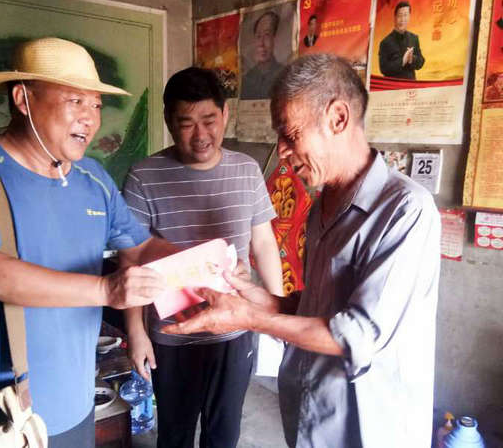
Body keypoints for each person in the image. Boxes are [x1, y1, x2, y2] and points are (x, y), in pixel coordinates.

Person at [163, 54, 441, 448]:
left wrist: (248, 318)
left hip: (369, 424)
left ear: (338, 118)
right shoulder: (322, 206)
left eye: (290, 134)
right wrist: (258, 298)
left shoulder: (405, 210)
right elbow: (318, 306)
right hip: (311, 412)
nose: (282, 151)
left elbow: (356, 334)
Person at [0, 37, 175, 448]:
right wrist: (106, 290)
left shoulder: (93, 178)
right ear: (23, 99)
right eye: (75, 101)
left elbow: (140, 249)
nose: (90, 118)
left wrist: (207, 257)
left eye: (96, 105)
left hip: (74, 403)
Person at [123, 67, 283, 448]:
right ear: (168, 121)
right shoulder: (144, 177)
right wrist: (136, 333)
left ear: (225, 114)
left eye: (209, 120)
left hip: (234, 330)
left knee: (224, 434)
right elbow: (130, 261)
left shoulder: (247, 170)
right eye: (186, 123)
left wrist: (277, 311)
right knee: (174, 435)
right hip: (171, 335)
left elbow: (264, 244)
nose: (200, 135)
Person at [240, 11, 285, 100]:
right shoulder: (246, 79)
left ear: (275, 38)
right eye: (258, 36)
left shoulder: (284, 75)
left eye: (267, 35)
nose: (261, 44)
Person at [378, 1, 425, 79]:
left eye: (405, 15)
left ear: (409, 17)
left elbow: (421, 62)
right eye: (400, 15)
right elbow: (383, 69)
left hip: (410, 84)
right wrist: (402, 61)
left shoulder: (414, 38)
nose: (402, 19)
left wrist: (412, 59)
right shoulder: (385, 42)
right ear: (395, 17)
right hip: (392, 84)